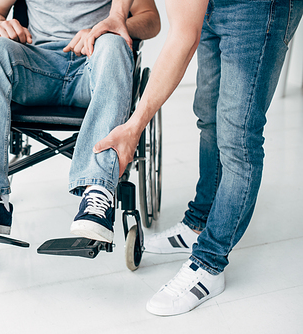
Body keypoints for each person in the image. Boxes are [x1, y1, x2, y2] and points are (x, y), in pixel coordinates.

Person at [90, 0, 303, 317]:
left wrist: (134, 126)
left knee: (238, 137)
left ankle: (210, 262)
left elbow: (182, 37)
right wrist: (118, 14)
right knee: (209, 117)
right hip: (213, 6)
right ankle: (198, 225)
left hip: (259, 8)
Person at [0, 0, 160, 243]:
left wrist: (108, 27)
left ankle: (97, 192)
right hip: (37, 65)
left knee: (113, 44)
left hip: (94, 64)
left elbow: (150, 19)